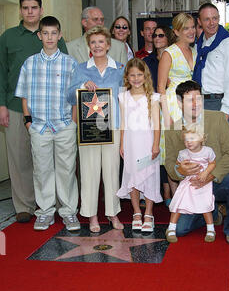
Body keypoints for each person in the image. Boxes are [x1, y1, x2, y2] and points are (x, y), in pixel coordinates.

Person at [0, 0, 68, 223]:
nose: (30, 11)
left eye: (34, 7)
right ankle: (25, 206)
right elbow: (1, 73)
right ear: (20, 10)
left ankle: (58, 203)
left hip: (50, 110)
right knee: (20, 159)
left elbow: (67, 74)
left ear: (40, 9)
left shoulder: (52, 34)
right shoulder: (8, 37)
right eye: (25, 7)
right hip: (15, 105)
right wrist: (1, 105)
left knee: (52, 159)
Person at [15, 16, 79, 231]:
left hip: (63, 126)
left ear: (59, 35)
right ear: (39, 35)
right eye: (46, 33)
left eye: (54, 33)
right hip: (39, 127)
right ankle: (45, 212)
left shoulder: (70, 63)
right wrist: (28, 121)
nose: (50, 37)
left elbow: (75, 96)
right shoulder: (30, 63)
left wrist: (72, 121)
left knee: (67, 170)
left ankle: (69, 212)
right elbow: (23, 94)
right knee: (42, 171)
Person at [164, 80, 229, 245]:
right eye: (190, 100)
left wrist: (210, 175)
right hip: (193, 186)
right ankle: (213, 213)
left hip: (220, 180)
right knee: (180, 230)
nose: (195, 104)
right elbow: (170, 163)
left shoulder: (217, 118)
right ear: (180, 103)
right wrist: (180, 170)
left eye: (199, 99)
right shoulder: (173, 129)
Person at [67, 26, 124, 232]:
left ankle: (113, 213)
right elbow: (68, 96)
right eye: (93, 42)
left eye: (101, 42)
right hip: (89, 128)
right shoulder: (81, 68)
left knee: (111, 172)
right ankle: (91, 216)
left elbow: (125, 99)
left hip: (113, 127)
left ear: (108, 45)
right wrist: (82, 86)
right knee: (89, 172)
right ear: (89, 46)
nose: (97, 46)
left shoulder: (120, 68)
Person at [117, 58, 162, 232]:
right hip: (130, 143)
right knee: (133, 177)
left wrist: (156, 145)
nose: (136, 78)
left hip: (148, 143)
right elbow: (122, 123)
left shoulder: (153, 97)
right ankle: (136, 212)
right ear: (127, 77)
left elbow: (157, 124)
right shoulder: (123, 97)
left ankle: (149, 213)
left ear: (146, 76)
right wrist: (122, 144)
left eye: (139, 75)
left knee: (149, 176)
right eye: (132, 75)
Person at [166, 122, 216, 244]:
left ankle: (211, 229)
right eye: (186, 139)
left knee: (205, 205)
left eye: (192, 138)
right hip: (187, 182)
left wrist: (205, 173)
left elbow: (213, 163)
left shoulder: (208, 151)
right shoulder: (183, 153)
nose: (188, 142)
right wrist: (181, 167)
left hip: (202, 182)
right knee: (179, 203)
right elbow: (178, 165)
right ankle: (171, 228)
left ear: (201, 138)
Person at [192, 2, 229, 125]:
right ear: (199, 21)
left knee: (216, 144)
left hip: (218, 103)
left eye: (215, 18)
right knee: (199, 143)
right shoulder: (199, 45)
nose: (212, 23)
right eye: (207, 19)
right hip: (199, 102)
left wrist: (226, 108)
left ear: (219, 18)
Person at [144, 26, 176, 205]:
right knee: (157, 150)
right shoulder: (147, 61)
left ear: (168, 38)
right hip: (152, 108)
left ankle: (169, 191)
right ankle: (162, 190)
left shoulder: (173, 57)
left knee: (170, 150)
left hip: (171, 108)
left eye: (161, 35)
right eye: (154, 35)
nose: (156, 38)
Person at [157, 13, 197, 128]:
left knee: (193, 142)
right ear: (176, 32)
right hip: (174, 104)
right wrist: (166, 114)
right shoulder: (169, 53)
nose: (191, 31)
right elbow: (160, 87)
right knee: (175, 143)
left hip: (193, 103)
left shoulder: (195, 52)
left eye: (193, 27)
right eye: (186, 28)